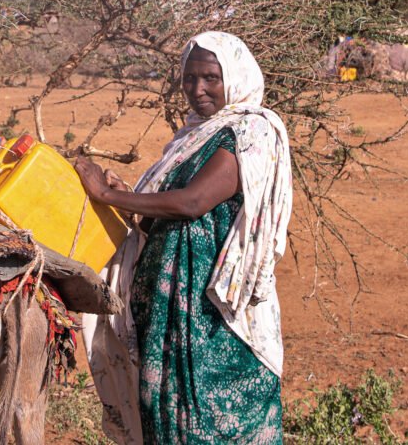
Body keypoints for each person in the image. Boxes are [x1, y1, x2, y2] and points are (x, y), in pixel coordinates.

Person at [75, 31, 292, 445]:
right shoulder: (193, 137)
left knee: (219, 419)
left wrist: (105, 194)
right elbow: (162, 213)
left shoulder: (248, 132)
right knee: (167, 418)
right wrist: (127, 197)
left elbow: (193, 203)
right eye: (189, 79)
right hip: (168, 312)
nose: (198, 89)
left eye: (211, 77)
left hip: (214, 319)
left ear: (236, 76)